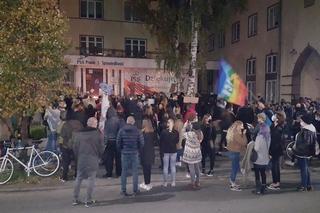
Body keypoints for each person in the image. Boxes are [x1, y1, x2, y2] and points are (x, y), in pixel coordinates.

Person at [72, 117, 104, 207]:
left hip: (81, 158)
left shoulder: (78, 134)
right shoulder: (97, 134)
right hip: (93, 159)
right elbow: (101, 147)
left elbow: (75, 147)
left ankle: (75, 199)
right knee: (91, 179)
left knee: (79, 178)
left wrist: (78, 156)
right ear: (94, 124)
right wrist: (100, 156)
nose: (97, 124)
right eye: (96, 122)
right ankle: (88, 200)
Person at [117, 116, 144, 196]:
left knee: (124, 172)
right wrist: (138, 149)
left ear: (127, 122)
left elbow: (118, 142)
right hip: (134, 153)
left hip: (124, 153)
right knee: (135, 172)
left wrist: (121, 149)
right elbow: (142, 143)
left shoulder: (121, 130)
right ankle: (135, 190)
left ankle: (123, 190)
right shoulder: (137, 131)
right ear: (133, 122)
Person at [292, 113, 319, 191]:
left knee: (303, 169)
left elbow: (303, 144)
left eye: (301, 120)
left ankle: (304, 186)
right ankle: (308, 184)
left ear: (305, 121)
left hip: (303, 153)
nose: (300, 121)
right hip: (307, 153)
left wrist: (295, 150)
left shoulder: (306, 131)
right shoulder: (311, 128)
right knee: (306, 168)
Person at [59, 112, 83, 182]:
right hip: (77, 145)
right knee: (77, 161)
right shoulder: (79, 123)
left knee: (66, 161)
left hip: (67, 146)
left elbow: (62, 135)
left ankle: (64, 176)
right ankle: (77, 175)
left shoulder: (66, 124)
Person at [226, 120, 247, 191]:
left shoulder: (232, 131)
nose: (243, 127)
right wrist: (243, 134)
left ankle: (232, 182)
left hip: (232, 151)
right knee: (234, 169)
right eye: (242, 126)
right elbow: (243, 142)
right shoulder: (236, 134)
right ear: (238, 126)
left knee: (235, 167)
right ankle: (232, 184)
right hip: (235, 152)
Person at [253, 113, 271, 195]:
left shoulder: (259, 136)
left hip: (258, 158)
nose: (257, 119)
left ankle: (258, 189)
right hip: (265, 156)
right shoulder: (268, 132)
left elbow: (256, 148)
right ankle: (263, 188)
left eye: (258, 118)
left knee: (257, 173)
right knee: (263, 173)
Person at [139, 107, 156, 191]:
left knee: (145, 169)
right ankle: (148, 182)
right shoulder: (152, 133)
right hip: (151, 153)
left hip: (144, 154)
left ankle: (147, 184)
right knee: (148, 169)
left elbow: (140, 143)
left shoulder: (142, 134)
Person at [182, 122, 203, 189]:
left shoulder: (190, 134)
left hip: (190, 153)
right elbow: (200, 140)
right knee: (197, 167)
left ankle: (193, 182)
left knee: (191, 169)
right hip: (197, 152)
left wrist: (185, 126)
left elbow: (182, 134)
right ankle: (198, 182)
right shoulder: (200, 133)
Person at [103, 107, 122, 178]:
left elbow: (105, 133)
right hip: (117, 140)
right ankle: (119, 173)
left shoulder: (107, 121)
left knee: (109, 158)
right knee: (118, 158)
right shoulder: (118, 120)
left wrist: (105, 141)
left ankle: (109, 173)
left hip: (109, 141)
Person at [160, 118, 179, 187]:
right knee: (172, 166)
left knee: (165, 167)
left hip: (165, 151)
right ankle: (173, 182)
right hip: (173, 151)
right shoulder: (176, 132)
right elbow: (176, 141)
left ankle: (165, 182)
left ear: (168, 124)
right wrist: (171, 131)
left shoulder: (163, 132)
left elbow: (161, 141)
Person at [268, 112, 285, 190]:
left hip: (276, 150)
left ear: (277, 119)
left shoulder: (279, 128)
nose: (273, 116)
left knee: (275, 166)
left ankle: (276, 183)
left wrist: (270, 152)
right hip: (273, 149)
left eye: (275, 116)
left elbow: (276, 141)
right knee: (274, 166)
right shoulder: (273, 126)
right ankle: (275, 181)